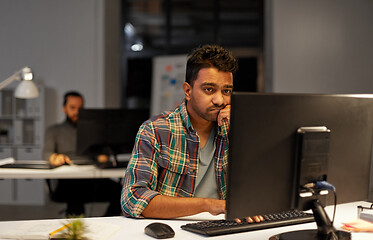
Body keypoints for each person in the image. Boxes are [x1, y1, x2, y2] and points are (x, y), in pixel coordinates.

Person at [121, 45, 238, 219]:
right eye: (209, 89)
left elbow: (261, 186)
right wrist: (207, 205)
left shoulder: (235, 129)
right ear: (188, 91)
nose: (219, 100)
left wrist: (241, 127)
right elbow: (133, 199)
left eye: (226, 91)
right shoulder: (156, 130)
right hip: (174, 231)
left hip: (225, 229)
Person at [43, 91, 122, 217]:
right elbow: (47, 154)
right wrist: (55, 158)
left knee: (122, 192)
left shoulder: (94, 130)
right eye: (72, 108)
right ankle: (77, 232)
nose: (77, 112)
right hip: (69, 181)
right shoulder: (54, 131)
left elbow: (102, 155)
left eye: (80, 108)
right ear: (64, 109)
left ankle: (104, 224)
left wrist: (103, 156)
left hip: (91, 178)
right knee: (75, 196)